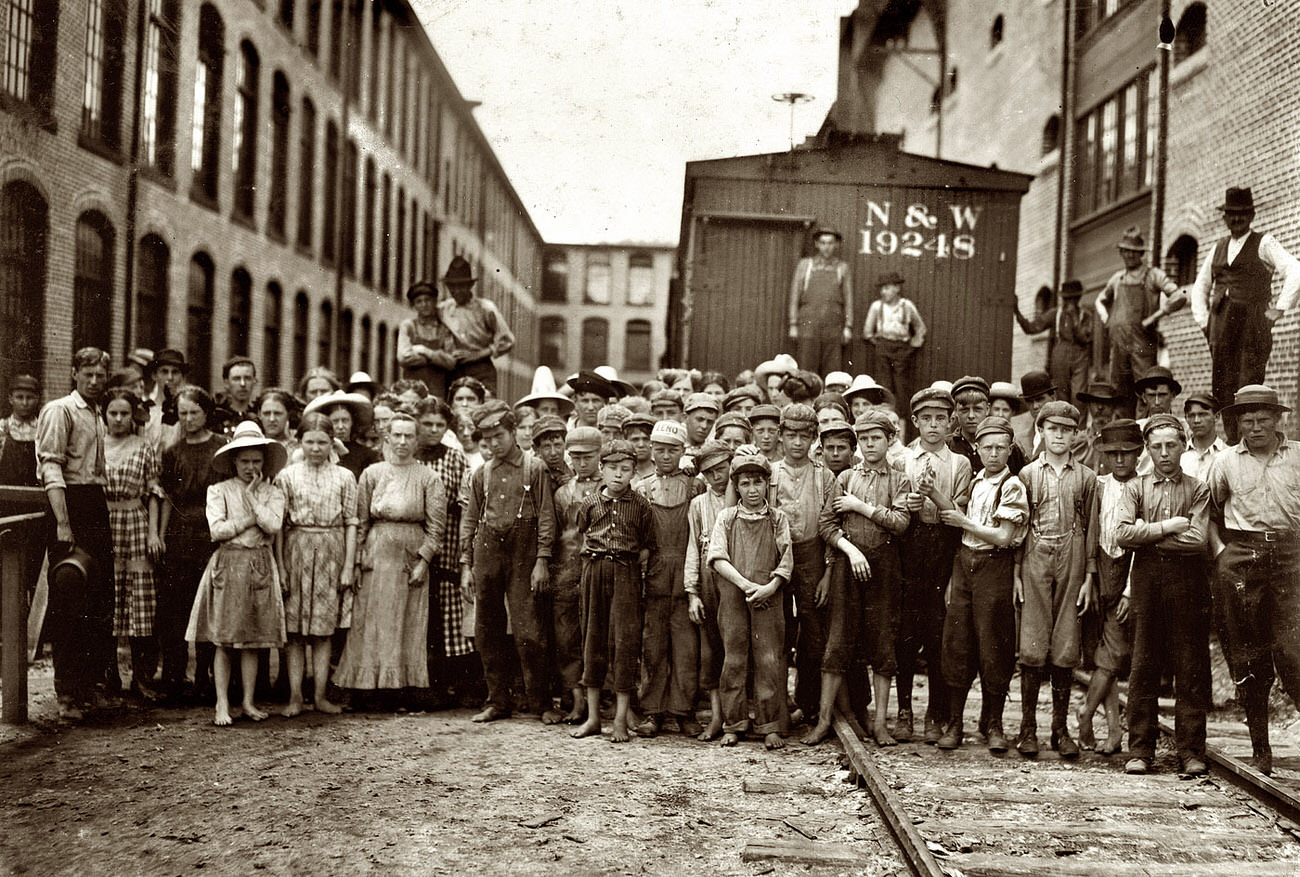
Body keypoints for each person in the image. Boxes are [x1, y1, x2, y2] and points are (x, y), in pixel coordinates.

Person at [1206, 384, 1300, 775]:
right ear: (1238, 423)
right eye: (1247, 420)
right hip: (1243, 557)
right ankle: (1261, 749)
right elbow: (1210, 513)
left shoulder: (1298, 456)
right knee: (1249, 655)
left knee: (1293, 651)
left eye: (1263, 419)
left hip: (1293, 557)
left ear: (1278, 419)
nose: (1255, 427)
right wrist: (1221, 554)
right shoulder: (1226, 461)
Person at [1112, 414, 1211, 776]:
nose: (1165, 453)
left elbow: (1198, 540)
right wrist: (1168, 527)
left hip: (1187, 581)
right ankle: (1140, 749)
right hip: (1147, 578)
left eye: (1171, 445)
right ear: (1148, 451)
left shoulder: (1198, 489)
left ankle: (1191, 752)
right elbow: (1122, 533)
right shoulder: (1135, 489)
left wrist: (1146, 532)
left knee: (1189, 666)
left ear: (1183, 446)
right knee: (1144, 664)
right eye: (1157, 446)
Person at [805, 411, 910, 746]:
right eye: (864, 439)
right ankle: (823, 722)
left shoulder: (899, 479)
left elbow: (900, 523)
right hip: (850, 567)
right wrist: (850, 551)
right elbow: (826, 525)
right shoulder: (846, 478)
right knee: (837, 642)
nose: (869, 444)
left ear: (889, 440)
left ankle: (879, 724)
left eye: (875, 438)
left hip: (885, 569)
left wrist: (861, 507)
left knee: (882, 646)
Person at [334, 413, 446, 702]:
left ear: (417, 439)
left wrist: (424, 561)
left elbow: (436, 527)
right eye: (397, 435)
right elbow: (359, 521)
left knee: (406, 622)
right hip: (376, 553)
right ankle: (366, 691)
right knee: (370, 621)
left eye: (408, 436)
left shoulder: (429, 478)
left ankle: (402, 691)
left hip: (410, 557)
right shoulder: (372, 474)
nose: (402, 441)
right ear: (387, 437)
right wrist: (357, 561)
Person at [935, 415, 1029, 752]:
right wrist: (931, 491)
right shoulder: (976, 482)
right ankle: (955, 723)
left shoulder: (1013, 485)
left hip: (994, 566)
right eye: (987, 447)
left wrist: (964, 522)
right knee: (958, 642)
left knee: (994, 645)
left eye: (1000, 448)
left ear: (1009, 450)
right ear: (977, 449)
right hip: (965, 565)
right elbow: (957, 519)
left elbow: (1004, 536)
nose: (993, 454)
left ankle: (994, 724)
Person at [185, 421, 287, 725]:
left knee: (253, 640)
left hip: (259, 565)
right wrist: (247, 520)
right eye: (245, 461)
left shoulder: (273, 492)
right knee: (225, 639)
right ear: (234, 461)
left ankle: (248, 702)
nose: (251, 467)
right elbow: (218, 531)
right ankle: (221, 704)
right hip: (228, 565)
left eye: (256, 461)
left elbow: (273, 525)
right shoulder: (218, 491)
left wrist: (255, 499)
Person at [459, 400, 554, 722]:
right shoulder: (482, 473)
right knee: (487, 628)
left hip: (524, 552)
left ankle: (539, 703)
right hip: (488, 551)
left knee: (529, 630)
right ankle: (497, 701)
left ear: (514, 432)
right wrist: (466, 564)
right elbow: (470, 519)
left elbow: (545, 517)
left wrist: (542, 560)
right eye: (487, 439)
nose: (494, 443)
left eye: (499, 435)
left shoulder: (534, 468)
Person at [36, 350, 117, 720]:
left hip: (94, 503)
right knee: (70, 599)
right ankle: (67, 695)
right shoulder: (60, 410)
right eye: (88, 373)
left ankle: (89, 689)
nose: (96, 380)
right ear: (74, 373)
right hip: (69, 504)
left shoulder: (97, 412)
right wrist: (63, 522)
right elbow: (51, 467)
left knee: (98, 601)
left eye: (101, 374)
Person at [1014, 400, 1097, 758]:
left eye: (1066, 429)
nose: (1059, 435)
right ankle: (1027, 728)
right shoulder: (1028, 475)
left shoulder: (1086, 477)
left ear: (1075, 434)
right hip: (1035, 554)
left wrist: (1090, 576)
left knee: (1065, 644)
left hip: (1073, 554)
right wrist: (1017, 572)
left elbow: (1091, 528)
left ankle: (1060, 730)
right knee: (1032, 644)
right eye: (1053, 429)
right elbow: (1018, 525)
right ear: (1041, 432)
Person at [1189, 188, 1300, 441]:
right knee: (1222, 385)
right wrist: (1205, 321)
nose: (1236, 219)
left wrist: (1279, 308)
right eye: (1231, 214)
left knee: (1248, 384)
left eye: (1241, 214)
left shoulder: (1264, 243)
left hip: (1252, 327)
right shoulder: (1217, 247)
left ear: (1251, 215)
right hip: (1220, 329)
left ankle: (1249, 444)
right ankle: (1232, 443)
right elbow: (1200, 286)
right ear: (1224, 218)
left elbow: (1295, 270)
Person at [896, 387, 971, 743]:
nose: (934, 426)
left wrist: (933, 500)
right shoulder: (902, 460)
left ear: (950, 421)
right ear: (915, 421)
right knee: (906, 634)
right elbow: (894, 505)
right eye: (926, 419)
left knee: (939, 634)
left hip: (943, 549)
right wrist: (908, 504)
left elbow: (957, 512)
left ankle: (934, 713)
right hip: (909, 548)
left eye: (941, 418)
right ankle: (905, 710)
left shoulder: (959, 463)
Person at [570, 440, 656, 743]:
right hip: (594, 571)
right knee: (592, 638)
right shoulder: (589, 503)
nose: (618, 475)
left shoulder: (642, 505)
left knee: (625, 643)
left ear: (634, 471)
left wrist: (626, 564)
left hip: (626, 573)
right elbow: (582, 531)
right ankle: (594, 718)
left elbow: (648, 545)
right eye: (612, 469)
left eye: (625, 469)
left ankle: (620, 719)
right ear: (601, 469)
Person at [275, 413, 358, 718]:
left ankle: (320, 696)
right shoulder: (287, 476)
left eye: (322, 442)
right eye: (309, 442)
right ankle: (296, 696)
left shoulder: (344, 477)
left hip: (331, 552)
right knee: (295, 631)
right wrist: (281, 566)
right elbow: (281, 526)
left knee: (323, 631)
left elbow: (351, 522)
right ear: (300, 442)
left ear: (332, 443)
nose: (315, 448)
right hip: (296, 549)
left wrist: (348, 565)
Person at [709, 451, 793, 749]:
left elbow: (786, 560)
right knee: (734, 659)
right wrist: (745, 584)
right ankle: (734, 724)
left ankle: (768, 724)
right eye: (745, 483)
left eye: (758, 482)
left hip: (769, 597)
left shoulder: (777, 519)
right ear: (737, 486)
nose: (752, 489)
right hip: (734, 595)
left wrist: (770, 587)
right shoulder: (726, 518)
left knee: (768, 659)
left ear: (766, 485)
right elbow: (717, 557)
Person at [632, 419, 704, 736]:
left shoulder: (695, 486)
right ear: (651, 450)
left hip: (686, 571)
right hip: (655, 573)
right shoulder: (641, 488)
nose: (665, 456)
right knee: (653, 647)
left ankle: (683, 711)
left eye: (672, 450)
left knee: (686, 649)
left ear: (683, 451)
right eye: (659, 449)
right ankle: (652, 711)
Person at [768, 403, 838, 726]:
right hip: (778, 555)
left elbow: (830, 526)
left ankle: (809, 702)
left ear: (814, 439)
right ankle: (777, 706)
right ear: (781, 436)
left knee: (814, 631)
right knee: (778, 631)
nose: (798, 443)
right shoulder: (769, 474)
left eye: (805, 436)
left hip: (812, 554)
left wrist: (826, 572)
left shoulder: (824, 476)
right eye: (791, 435)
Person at [1077, 419, 1141, 755]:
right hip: (1099, 568)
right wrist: (1090, 574)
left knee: (1114, 655)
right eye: (1113, 453)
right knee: (1103, 657)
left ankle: (1085, 715)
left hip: (1126, 570)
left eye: (1127, 454)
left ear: (1138, 454)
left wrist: (1130, 591)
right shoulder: (1098, 486)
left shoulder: (1143, 488)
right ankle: (1115, 731)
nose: (1119, 460)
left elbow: (1142, 549)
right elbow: (1090, 531)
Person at [158, 387, 226, 702]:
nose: (188, 419)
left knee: (209, 607)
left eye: (193, 412)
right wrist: (159, 534)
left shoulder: (221, 448)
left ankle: (206, 678)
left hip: (212, 535)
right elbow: (169, 498)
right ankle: (174, 677)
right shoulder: (173, 452)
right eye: (182, 413)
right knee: (176, 609)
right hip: (180, 536)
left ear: (206, 412)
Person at [102, 389, 165, 702]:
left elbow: (153, 492)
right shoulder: (96, 444)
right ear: (105, 414)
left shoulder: (144, 446)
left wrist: (153, 533)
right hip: (106, 525)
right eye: (112, 413)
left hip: (136, 522)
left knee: (141, 600)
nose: (118, 419)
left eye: (124, 413)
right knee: (109, 598)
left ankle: (141, 678)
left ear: (132, 415)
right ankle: (110, 677)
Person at [415, 397, 474, 708]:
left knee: (447, 616)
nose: (434, 430)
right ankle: (420, 684)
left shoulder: (455, 458)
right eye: (428, 424)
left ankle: (451, 684)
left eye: (440, 425)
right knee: (419, 615)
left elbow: (465, 501)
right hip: (415, 542)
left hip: (448, 542)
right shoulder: (408, 456)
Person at [540, 424, 599, 724]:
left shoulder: (608, 488)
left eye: (588, 456)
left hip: (599, 569)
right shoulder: (562, 492)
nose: (582, 462)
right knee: (566, 637)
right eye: (575, 456)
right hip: (567, 570)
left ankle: (598, 701)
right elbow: (554, 531)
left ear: (599, 455)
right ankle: (576, 700)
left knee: (597, 635)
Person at [1095, 227, 1182, 411]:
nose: (1129, 255)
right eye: (1125, 251)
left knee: (1146, 389)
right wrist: (1107, 319)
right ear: (1121, 252)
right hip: (1118, 343)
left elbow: (1179, 296)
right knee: (1119, 391)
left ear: (1140, 254)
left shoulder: (1153, 275)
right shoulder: (1117, 279)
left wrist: (1154, 317)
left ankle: (1145, 430)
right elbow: (1099, 300)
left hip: (1142, 343)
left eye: (1133, 252)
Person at [685, 441, 733, 741]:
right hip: (708, 577)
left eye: (722, 469)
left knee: (736, 650)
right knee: (711, 651)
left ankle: (735, 717)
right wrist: (692, 592)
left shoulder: (744, 495)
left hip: (737, 576)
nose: (718, 476)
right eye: (710, 472)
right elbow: (692, 546)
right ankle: (716, 716)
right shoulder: (698, 504)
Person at [436, 257, 516, 395]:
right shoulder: (443, 309)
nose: (457, 291)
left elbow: (507, 340)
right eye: (452, 287)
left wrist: (478, 354)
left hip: (481, 368)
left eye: (461, 286)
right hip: (453, 368)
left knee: (486, 406)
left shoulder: (485, 308)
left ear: (470, 286)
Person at [0, 374, 44, 616]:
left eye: (30, 397)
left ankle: (33, 626)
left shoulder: (43, 430)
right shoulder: (2, 429)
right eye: (20, 397)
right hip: (6, 508)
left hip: (36, 509)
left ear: (37, 399)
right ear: (10, 399)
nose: (25, 402)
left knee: (34, 567)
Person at [1014, 279, 1092, 407]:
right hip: (1060, 353)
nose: (1070, 303)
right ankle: (1062, 424)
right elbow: (1032, 328)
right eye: (1067, 299)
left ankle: (1080, 427)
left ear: (1078, 298)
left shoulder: (1086, 315)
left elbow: (1085, 339)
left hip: (1080, 355)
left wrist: (1074, 319)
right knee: (1061, 394)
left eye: (1073, 299)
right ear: (1063, 299)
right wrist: (1017, 311)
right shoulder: (1056, 313)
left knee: (1079, 395)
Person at [788, 227, 854, 375]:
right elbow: (794, 297)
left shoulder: (842, 268)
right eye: (823, 243)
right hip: (808, 326)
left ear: (836, 245)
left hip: (833, 327)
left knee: (832, 370)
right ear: (817, 244)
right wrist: (793, 324)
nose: (827, 247)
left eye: (830, 243)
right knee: (806, 370)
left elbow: (848, 300)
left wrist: (848, 327)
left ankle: (828, 399)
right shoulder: (805, 265)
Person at [863, 272, 927, 412]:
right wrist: (880, 344)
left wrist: (913, 345)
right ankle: (884, 418)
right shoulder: (876, 306)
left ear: (897, 288)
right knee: (884, 386)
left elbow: (920, 328)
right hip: (883, 348)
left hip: (902, 350)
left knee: (902, 387)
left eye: (886, 288)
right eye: (881, 288)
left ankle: (902, 422)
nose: (883, 292)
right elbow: (867, 332)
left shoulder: (907, 306)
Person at [949, 376, 1027, 476]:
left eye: (977, 409)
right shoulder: (948, 446)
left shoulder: (1008, 447)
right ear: (955, 411)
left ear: (987, 409)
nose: (971, 416)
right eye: (964, 410)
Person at [397, 280, 456, 401]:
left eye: (428, 300)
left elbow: (451, 362)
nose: (424, 304)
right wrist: (438, 357)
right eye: (419, 301)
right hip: (411, 390)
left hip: (438, 390)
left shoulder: (444, 329)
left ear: (435, 302)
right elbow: (403, 357)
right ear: (414, 305)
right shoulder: (408, 326)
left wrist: (425, 351)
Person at [304, 391, 380, 481]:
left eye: (345, 420)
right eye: (335, 421)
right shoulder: (316, 451)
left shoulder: (368, 455)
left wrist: (344, 454)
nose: (340, 426)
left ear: (352, 422)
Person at [1180, 393, 1226, 481]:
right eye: (1191, 416)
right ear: (1186, 418)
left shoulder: (1227, 454)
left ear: (1217, 417)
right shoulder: (1179, 454)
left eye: (1203, 415)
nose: (1197, 420)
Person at [210, 357, 259, 436]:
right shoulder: (215, 417)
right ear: (226, 383)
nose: (242, 384)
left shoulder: (259, 416)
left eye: (247, 378)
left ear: (254, 381)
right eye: (236, 379)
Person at [622, 412, 657, 479]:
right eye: (635, 439)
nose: (641, 445)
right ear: (626, 441)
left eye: (646, 439)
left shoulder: (661, 471)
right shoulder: (620, 473)